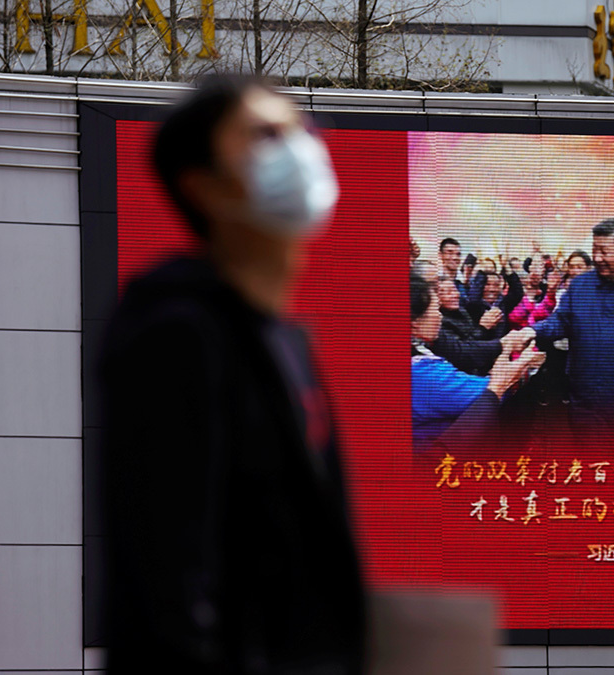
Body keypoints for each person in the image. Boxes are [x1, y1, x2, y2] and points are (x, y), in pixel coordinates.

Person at [97, 77, 366, 674]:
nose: (300, 149)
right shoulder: (173, 333)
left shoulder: (284, 341)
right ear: (206, 187)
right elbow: (171, 573)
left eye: (299, 129)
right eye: (266, 135)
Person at [514, 219, 614, 444]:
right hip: (585, 401)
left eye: (604, 251)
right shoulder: (580, 286)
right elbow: (561, 321)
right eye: (594, 250)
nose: (597, 258)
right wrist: (531, 331)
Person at [411, 268, 544, 452]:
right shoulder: (423, 374)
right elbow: (485, 392)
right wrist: (517, 369)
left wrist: (503, 347)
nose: (439, 315)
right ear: (414, 322)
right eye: (434, 308)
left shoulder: (458, 316)